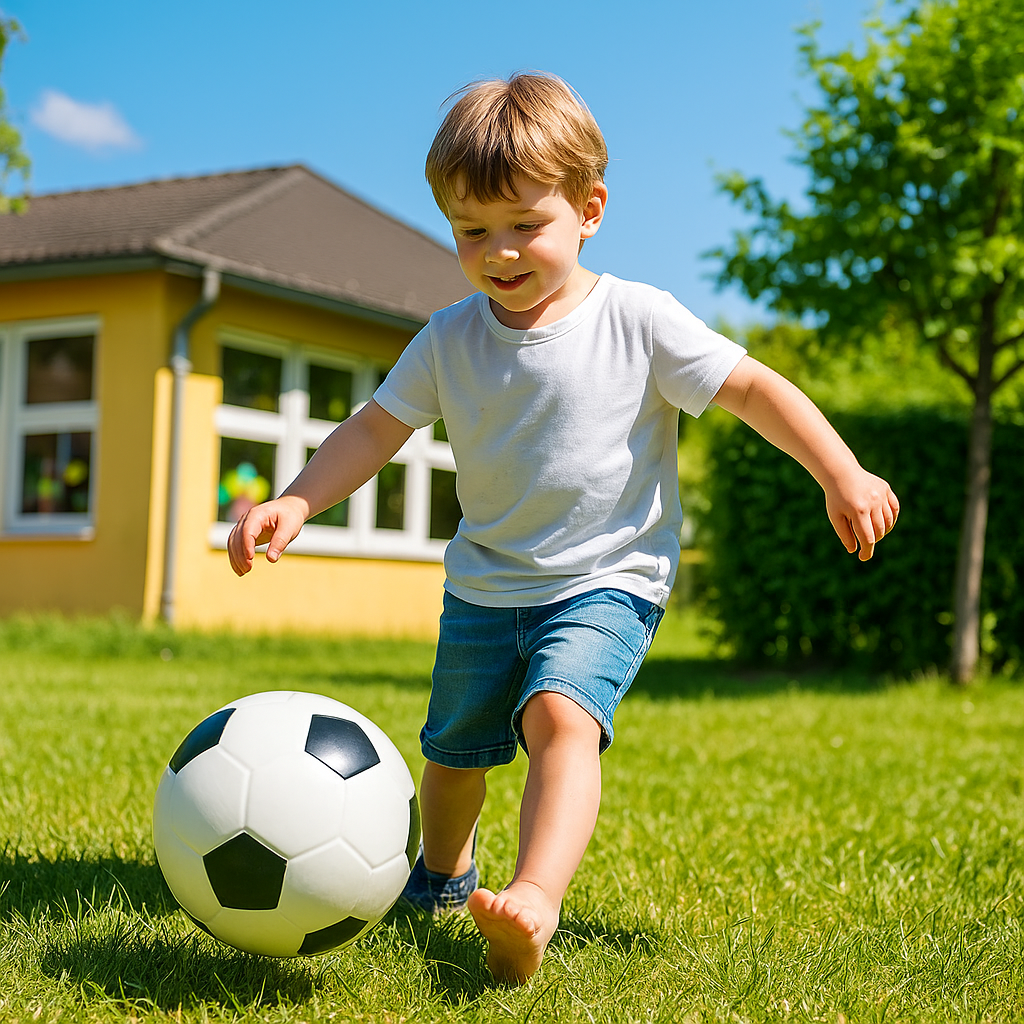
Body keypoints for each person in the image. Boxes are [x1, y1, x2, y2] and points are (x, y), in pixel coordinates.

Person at [227, 72, 899, 985]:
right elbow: (376, 428)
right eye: (472, 232)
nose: (499, 254)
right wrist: (299, 498)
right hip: (484, 584)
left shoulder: (638, 319)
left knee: (559, 718)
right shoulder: (449, 338)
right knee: (454, 756)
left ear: (589, 209)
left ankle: (533, 898)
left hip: (607, 579)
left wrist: (840, 468)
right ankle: (442, 875)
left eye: (523, 227)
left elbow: (750, 387)